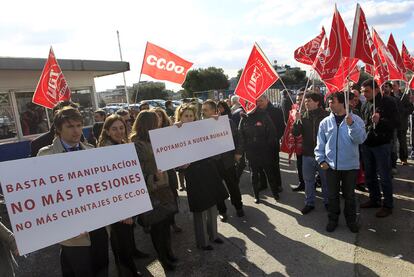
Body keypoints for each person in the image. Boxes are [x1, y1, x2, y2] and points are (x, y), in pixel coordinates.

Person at [37, 107, 108, 277]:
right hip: (71, 232)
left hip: (97, 224)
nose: (76, 131)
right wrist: (67, 225)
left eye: (79, 125)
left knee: (102, 267)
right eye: (70, 126)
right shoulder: (45, 156)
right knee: (80, 270)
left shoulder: (91, 150)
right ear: (58, 129)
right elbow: (44, 197)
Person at [97, 114, 146, 277]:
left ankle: (133, 253)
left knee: (128, 234)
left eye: (121, 128)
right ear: (107, 131)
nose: (119, 132)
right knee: (120, 241)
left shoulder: (123, 145)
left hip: (128, 201)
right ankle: (127, 271)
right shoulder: (106, 150)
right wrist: (122, 211)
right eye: (114, 129)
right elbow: (109, 186)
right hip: (117, 206)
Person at [175, 104, 228, 250]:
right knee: (199, 208)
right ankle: (202, 241)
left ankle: (214, 235)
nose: (189, 118)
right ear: (180, 117)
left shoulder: (201, 127)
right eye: (186, 116)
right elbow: (171, 157)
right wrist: (180, 166)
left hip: (208, 170)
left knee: (212, 204)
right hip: (193, 175)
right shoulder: (174, 132)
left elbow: (216, 137)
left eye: (191, 115)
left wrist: (217, 122)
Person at [131, 111, 178, 271]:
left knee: (165, 224)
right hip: (151, 190)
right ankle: (163, 259)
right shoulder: (136, 144)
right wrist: (153, 177)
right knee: (157, 226)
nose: (159, 123)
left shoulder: (156, 137)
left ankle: (169, 252)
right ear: (148, 123)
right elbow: (135, 171)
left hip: (163, 187)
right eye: (156, 121)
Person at [315, 92, 367, 232]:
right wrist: (321, 160)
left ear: (342, 103)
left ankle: (351, 220)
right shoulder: (325, 122)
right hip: (331, 167)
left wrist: (352, 125)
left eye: (332, 101)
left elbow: (360, 139)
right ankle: (333, 219)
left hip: (350, 167)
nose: (329, 104)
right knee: (332, 196)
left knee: (349, 196)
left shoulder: (356, 119)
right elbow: (320, 144)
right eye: (329, 101)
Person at [360, 79, 399, 218]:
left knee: (384, 176)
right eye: (363, 91)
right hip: (367, 144)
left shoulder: (388, 102)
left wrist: (380, 121)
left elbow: (395, 123)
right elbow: (363, 123)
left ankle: (388, 205)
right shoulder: (365, 105)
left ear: (376, 89)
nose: (364, 94)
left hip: (382, 145)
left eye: (367, 91)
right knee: (369, 175)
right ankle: (374, 199)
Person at [202, 100, 244, 221]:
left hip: (227, 160)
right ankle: (222, 211)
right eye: (203, 110)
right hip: (212, 163)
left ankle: (238, 207)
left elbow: (238, 137)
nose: (203, 112)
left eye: (205, 109)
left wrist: (238, 152)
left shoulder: (227, 122)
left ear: (214, 110)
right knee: (216, 188)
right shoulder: (200, 126)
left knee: (233, 185)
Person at [292, 93, 329, 214]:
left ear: (317, 102)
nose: (306, 103)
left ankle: (328, 202)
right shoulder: (302, 116)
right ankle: (309, 203)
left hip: (323, 155)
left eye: (309, 101)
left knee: (325, 181)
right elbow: (296, 133)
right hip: (307, 153)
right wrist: (297, 121)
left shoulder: (327, 116)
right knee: (308, 181)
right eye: (305, 101)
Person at [236, 105, 280, 203]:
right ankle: (256, 195)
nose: (250, 107)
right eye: (247, 105)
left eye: (252, 105)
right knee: (253, 175)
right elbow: (240, 136)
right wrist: (240, 151)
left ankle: (275, 193)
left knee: (269, 173)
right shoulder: (243, 118)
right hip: (251, 151)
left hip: (264, 149)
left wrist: (269, 146)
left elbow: (272, 132)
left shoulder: (264, 115)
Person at [153, 107, 183, 233]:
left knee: (172, 196)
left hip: (169, 170)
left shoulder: (168, 130)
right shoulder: (148, 133)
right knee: (159, 198)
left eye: (160, 115)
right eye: (156, 116)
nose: (158, 118)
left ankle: (172, 222)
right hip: (156, 172)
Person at [256, 94, 285, 194]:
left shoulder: (276, 111)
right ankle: (263, 184)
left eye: (261, 101)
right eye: (257, 101)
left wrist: (274, 138)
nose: (259, 103)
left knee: (274, 165)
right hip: (259, 144)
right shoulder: (255, 112)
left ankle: (278, 185)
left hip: (272, 144)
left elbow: (282, 127)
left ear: (267, 100)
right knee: (260, 166)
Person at [392, 81, 414, 165]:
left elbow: (411, 107)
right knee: (393, 143)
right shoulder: (389, 96)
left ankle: (403, 158)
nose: (393, 87)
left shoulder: (404, 96)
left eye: (394, 85)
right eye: (392, 85)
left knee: (402, 142)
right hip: (393, 124)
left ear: (398, 86)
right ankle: (393, 160)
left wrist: (403, 111)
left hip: (402, 124)